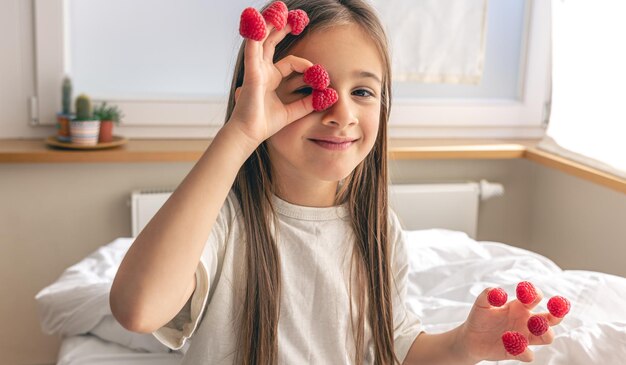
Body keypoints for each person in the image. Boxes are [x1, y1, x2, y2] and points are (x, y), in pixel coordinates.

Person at [110, 0, 563, 364]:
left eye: (362, 92)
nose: (341, 113)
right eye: (307, 88)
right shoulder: (225, 222)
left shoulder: (378, 228)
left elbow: (395, 347)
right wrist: (240, 134)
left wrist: (465, 345)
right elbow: (138, 308)